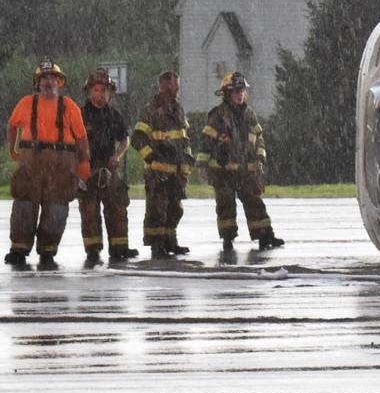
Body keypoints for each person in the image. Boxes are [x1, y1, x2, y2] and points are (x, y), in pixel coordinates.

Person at [5, 60, 91, 269]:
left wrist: (84, 164)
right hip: (30, 161)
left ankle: (47, 251)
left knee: (57, 208)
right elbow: (12, 125)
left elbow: (81, 138)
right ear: (38, 83)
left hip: (61, 165)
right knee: (24, 205)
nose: (49, 81)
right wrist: (13, 150)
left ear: (60, 82)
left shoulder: (69, 106)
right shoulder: (26, 103)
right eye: (44, 78)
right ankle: (19, 249)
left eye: (53, 78)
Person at [195, 72, 284, 250]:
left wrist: (260, 158)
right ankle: (228, 239)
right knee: (226, 204)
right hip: (223, 172)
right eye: (236, 91)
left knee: (255, 202)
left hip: (246, 170)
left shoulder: (249, 114)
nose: (240, 94)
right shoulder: (218, 115)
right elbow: (206, 142)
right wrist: (202, 166)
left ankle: (265, 235)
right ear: (227, 94)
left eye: (242, 90)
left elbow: (259, 139)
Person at [130, 71, 194, 259]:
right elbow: (137, 139)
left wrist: (188, 159)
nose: (175, 90)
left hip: (177, 171)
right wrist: (152, 158)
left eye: (177, 86)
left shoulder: (179, 109)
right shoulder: (150, 111)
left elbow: (184, 138)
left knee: (175, 209)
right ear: (162, 87)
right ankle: (156, 245)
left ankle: (170, 241)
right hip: (158, 173)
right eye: (171, 86)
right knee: (157, 209)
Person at [78, 68, 138, 264]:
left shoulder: (114, 115)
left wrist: (117, 155)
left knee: (118, 207)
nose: (101, 94)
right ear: (89, 91)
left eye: (104, 90)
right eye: (96, 90)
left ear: (110, 93)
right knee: (89, 210)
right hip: (87, 169)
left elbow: (125, 139)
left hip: (109, 168)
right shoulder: (80, 115)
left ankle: (120, 247)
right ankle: (93, 250)